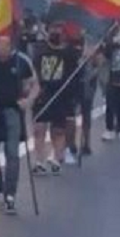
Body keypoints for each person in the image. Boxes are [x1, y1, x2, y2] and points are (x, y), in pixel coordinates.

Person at [0, 35, 38, 214]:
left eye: (5, 45)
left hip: (12, 111)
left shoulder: (21, 61)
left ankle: (10, 195)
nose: (1, 48)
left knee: (12, 153)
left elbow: (34, 85)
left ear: (11, 46)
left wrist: (28, 100)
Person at [30, 24, 80, 176]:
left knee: (58, 130)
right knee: (39, 129)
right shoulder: (39, 49)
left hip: (60, 95)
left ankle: (56, 159)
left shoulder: (69, 53)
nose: (55, 31)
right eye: (53, 28)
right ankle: (39, 161)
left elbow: (77, 72)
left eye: (59, 28)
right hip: (42, 95)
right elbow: (33, 70)